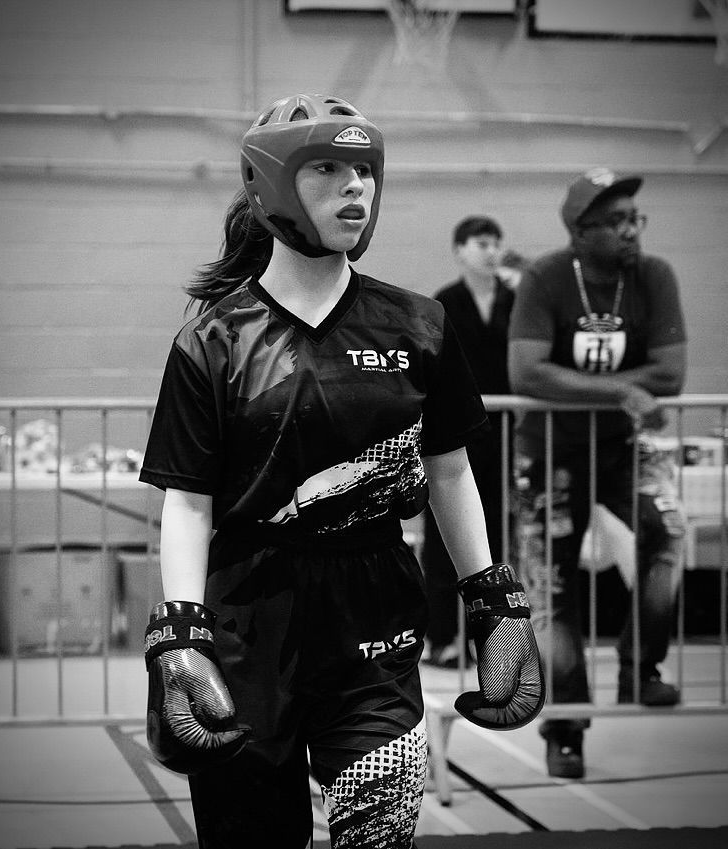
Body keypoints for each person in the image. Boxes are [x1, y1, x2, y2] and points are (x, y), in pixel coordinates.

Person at [139, 93, 544, 849]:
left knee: (381, 833)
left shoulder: (419, 325)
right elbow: (188, 502)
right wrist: (180, 635)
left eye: (364, 169)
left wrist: (493, 597)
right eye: (327, 168)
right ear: (271, 186)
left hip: (375, 620)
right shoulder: (213, 340)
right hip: (245, 620)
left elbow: (449, 472)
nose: (356, 186)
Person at [508, 167, 687, 780]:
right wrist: (623, 391)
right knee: (549, 588)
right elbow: (527, 374)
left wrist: (595, 393)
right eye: (616, 222)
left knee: (669, 533)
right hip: (549, 452)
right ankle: (565, 727)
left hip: (623, 448)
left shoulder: (655, 276)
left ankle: (642, 668)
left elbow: (671, 376)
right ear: (581, 232)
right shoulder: (546, 278)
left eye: (636, 218)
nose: (632, 231)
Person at [422, 216, 516, 668]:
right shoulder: (446, 302)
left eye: (496, 243)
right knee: (445, 537)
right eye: (482, 243)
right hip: (457, 434)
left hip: (506, 437)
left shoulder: (517, 299)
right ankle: (444, 637)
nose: (491, 251)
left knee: (496, 534)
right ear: (460, 250)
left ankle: (492, 643)